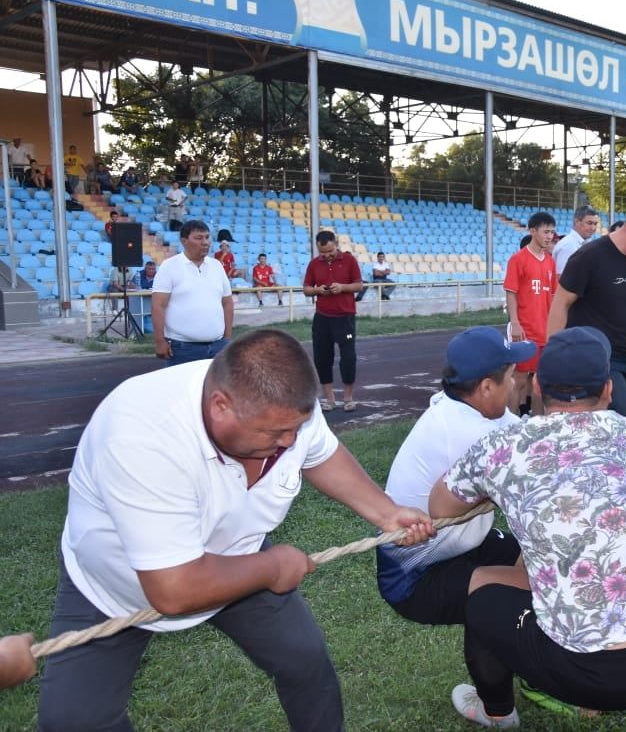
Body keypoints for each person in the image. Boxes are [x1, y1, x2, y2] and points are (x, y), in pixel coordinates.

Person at [36, 329, 434, 732]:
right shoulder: (141, 434)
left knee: (304, 659)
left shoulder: (283, 411)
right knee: (73, 720)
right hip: (116, 585)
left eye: (296, 428)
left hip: (239, 558)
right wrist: (272, 568)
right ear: (220, 406)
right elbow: (173, 588)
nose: (289, 441)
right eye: (274, 434)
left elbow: (320, 453)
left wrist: (385, 512)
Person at [428, 327, 626, 730]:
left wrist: (499, 489)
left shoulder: (501, 446)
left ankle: (497, 713)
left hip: (595, 675)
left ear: (537, 386)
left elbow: (440, 505)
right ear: (608, 389)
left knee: (482, 598)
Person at [377, 327, 532, 626]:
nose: (514, 385)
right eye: (511, 377)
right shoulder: (472, 435)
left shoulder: (459, 405)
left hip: (460, 544)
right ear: (487, 387)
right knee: (526, 584)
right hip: (415, 576)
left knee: (523, 571)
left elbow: (525, 434)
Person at [547, 199, 626, 436]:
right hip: (601, 356)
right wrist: (553, 352)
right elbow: (560, 303)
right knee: (624, 419)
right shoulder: (589, 257)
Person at [151, 220, 233, 366]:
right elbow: (158, 305)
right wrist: (160, 341)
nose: (205, 242)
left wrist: (227, 338)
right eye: (199, 238)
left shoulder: (217, 266)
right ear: (184, 241)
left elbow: (227, 303)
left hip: (218, 347)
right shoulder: (169, 267)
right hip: (182, 349)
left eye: (207, 237)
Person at [302, 229, 363, 412]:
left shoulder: (349, 260)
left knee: (349, 358)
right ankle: (329, 398)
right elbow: (306, 288)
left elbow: (359, 285)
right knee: (322, 358)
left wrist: (342, 287)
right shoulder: (314, 264)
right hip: (322, 318)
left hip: (345, 318)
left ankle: (348, 397)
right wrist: (318, 290)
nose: (327, 255)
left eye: (330, 251)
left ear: (336, 244)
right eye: (323, 253)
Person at [503, 211, 556, 415]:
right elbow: (511, 293)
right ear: (533, 231)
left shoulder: (550, 261)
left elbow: (552, 297)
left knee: (541, 381)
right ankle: (510, 426)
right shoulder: (518, 259)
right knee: (520, 379)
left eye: (552, 232)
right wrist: (515, 323)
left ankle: (537, 425)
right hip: (526, 330)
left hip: (545, 331)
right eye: (546, 231)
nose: (549, 236)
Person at [550, 204, 600, 275]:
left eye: (595, 224)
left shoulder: (585, 243)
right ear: (576, 222)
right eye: (589, 223)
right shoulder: (568, 246)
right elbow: (561, 278)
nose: (593, 228)